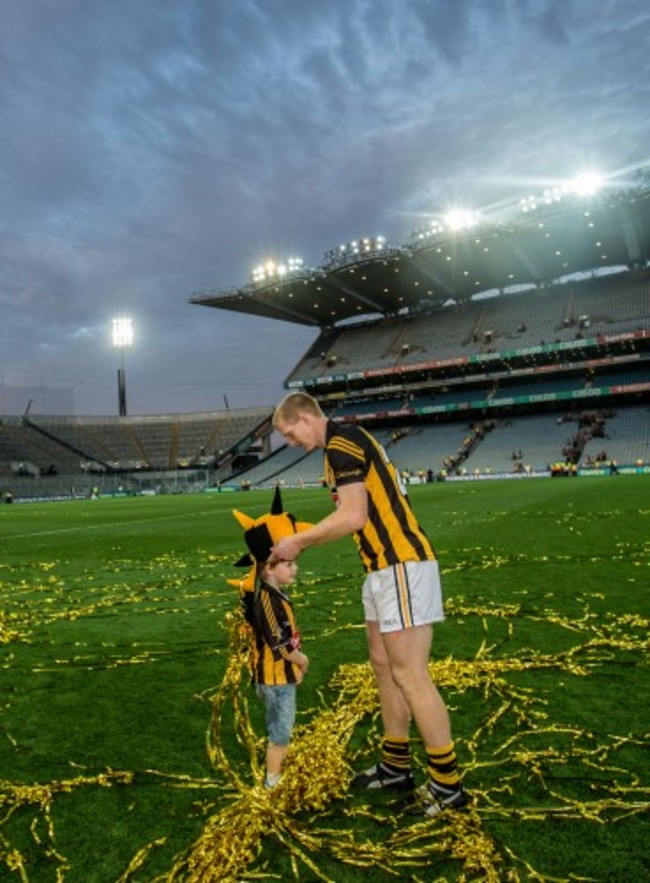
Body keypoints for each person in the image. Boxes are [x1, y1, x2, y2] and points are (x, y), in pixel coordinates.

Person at [270, 392, 468, 817]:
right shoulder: (335, 450)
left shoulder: (342, 443)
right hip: (381, 570)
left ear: (306, 417)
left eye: (290, 433)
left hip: (401, 565)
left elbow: (354, 516)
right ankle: (396, 765)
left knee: (410, 675)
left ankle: (448, 786)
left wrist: (298, 542)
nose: (290, 442)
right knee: (383, 666)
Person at [229, 486, 311, 789]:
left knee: (280, 727)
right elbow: (282, 645)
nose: (295, 568)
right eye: (289, 564)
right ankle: (273, 782)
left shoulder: (276, 595)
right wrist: (302, 662)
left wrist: (294, 667)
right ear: (268, 569)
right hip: (274, 680)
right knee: (281, 732)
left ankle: (275, 773)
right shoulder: (268, 600)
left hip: (280, 676)